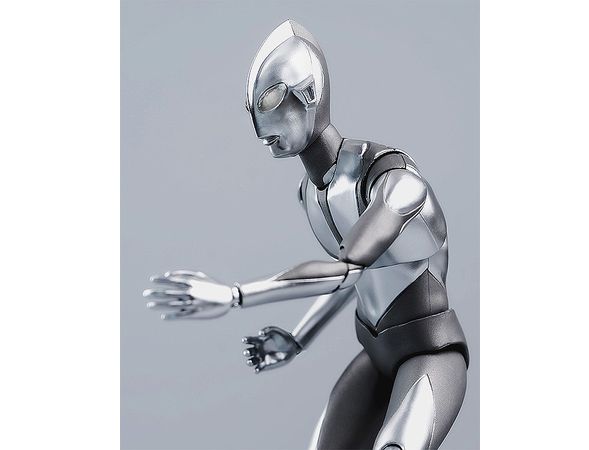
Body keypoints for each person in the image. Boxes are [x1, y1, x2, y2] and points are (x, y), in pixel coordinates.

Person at [144, 19, 469, 450]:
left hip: (430, 352)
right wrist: (298, 338)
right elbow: (353, 279)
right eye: (252, 106)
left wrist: (235, 295)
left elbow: (346, 268)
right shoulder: (312, 195)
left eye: (272, 98)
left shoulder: (395, 183)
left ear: (309, 94)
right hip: (376, 352)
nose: (260, 122)